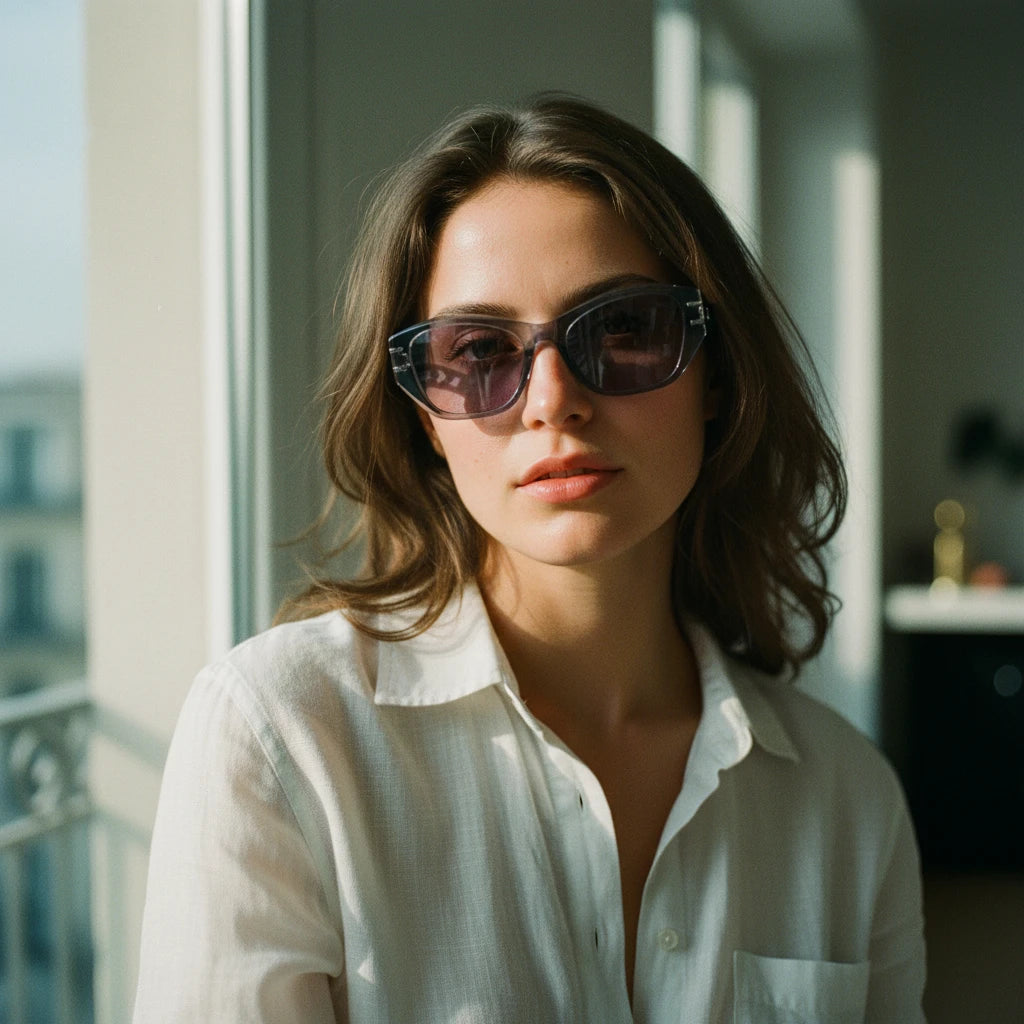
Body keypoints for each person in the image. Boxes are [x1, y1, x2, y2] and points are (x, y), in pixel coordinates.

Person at [133, 95, 926, 1022]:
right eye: (478, 350)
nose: (553, 400)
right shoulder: (282, 738)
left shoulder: (847, 800)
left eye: (623, 329)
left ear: (716, 372)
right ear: (426, 416)